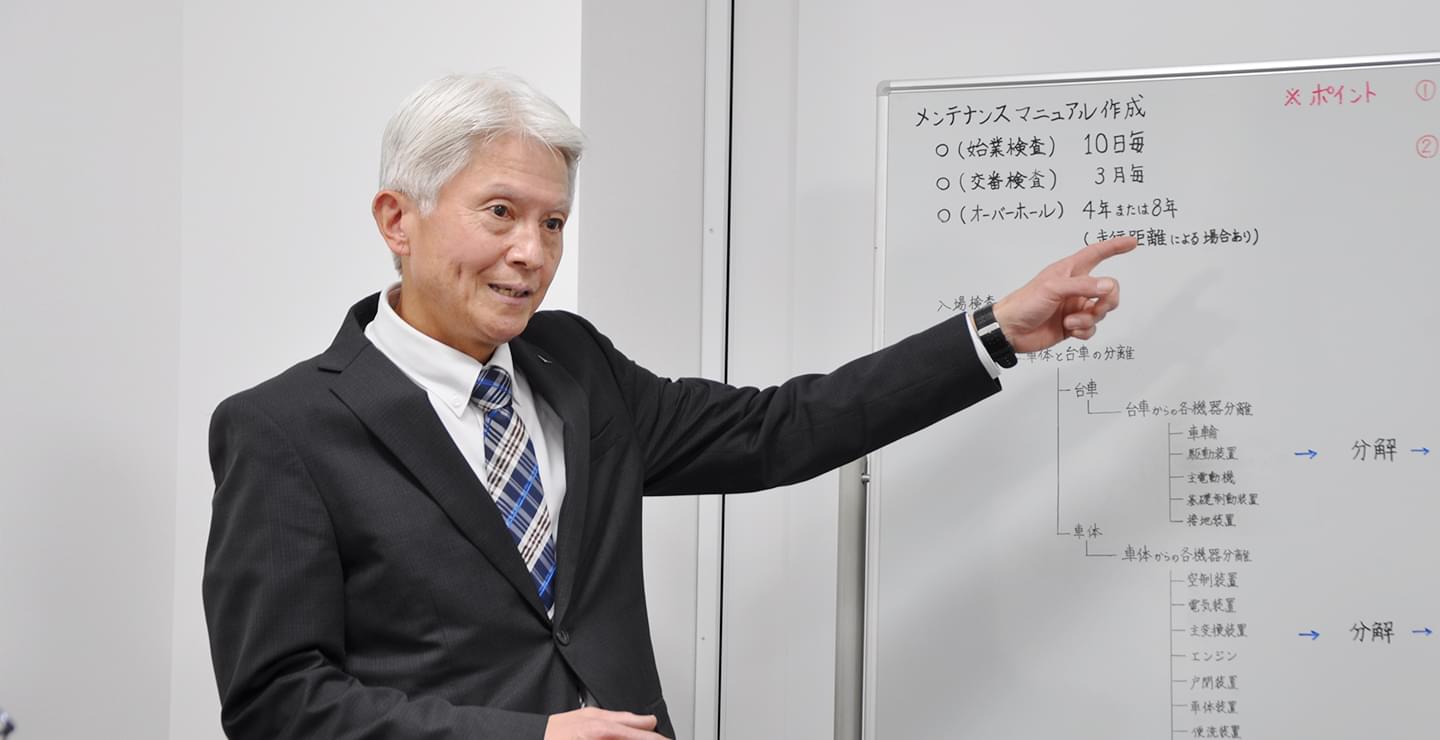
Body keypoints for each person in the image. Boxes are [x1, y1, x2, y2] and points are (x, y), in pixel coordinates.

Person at [201, 71, 1135, 740]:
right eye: (500, 213)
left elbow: (776, 431)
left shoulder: (573, 364)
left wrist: (996, 330)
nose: (533, 253)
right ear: (397, 220)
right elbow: (276, 701)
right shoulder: (284, 429)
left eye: (553, 222)